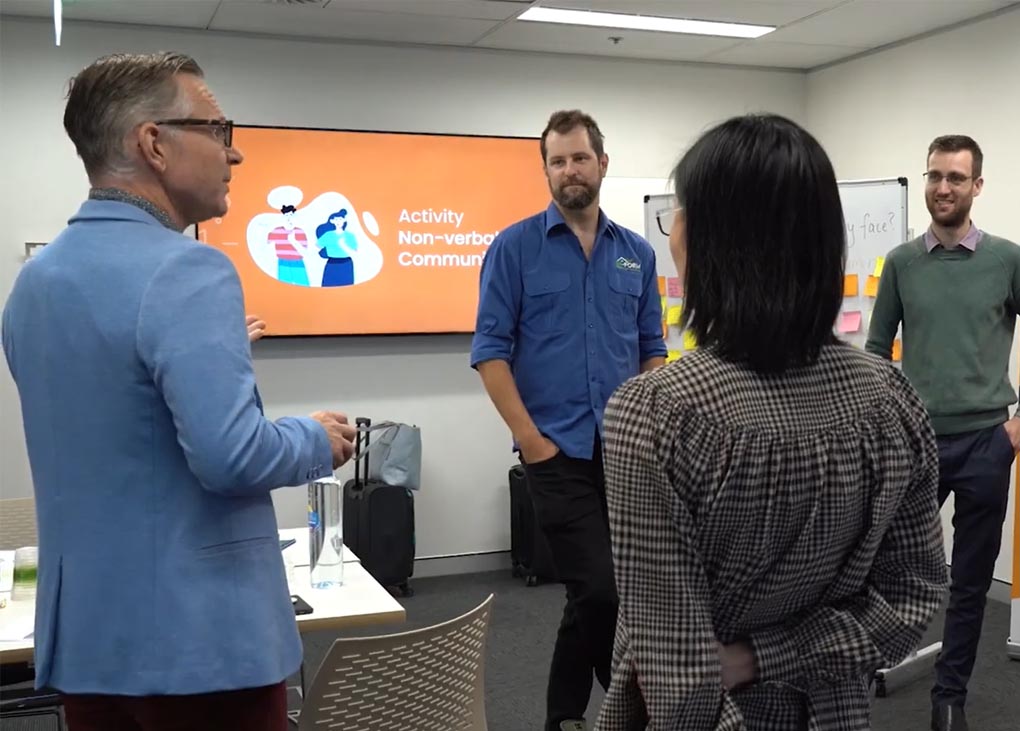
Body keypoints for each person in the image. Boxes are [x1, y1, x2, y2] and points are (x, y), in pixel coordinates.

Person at [2, 52, 356, 731]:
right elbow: (233, 458)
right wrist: (314, 437)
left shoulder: (34, 284)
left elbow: (115, 435)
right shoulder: (190, 270)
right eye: (217, 130)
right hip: (199, 646)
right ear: (154, 143)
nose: (235, 152)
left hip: (87, 642)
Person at [596, 114, 948, 730]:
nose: (673, 233)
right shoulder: (890, 397)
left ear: (716, 242)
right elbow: (913, 599)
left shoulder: (656, 412)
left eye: (680, 215)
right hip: (834, 712)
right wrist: (774, 653)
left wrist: (749, 658)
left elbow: (679, 681)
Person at [471, 109, 666, 731]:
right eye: (557, 161)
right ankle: (639, 708)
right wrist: (531, 442)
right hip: (555, 453)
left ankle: (562, 717)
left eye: (579, 158)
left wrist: (647, 426)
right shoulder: (514, 248)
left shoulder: (636, 254)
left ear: (601, 164)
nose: (569, 170)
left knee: (591, 593)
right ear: (546, 171)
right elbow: (490, 354)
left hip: (626, 452)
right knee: (602, 589)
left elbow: (652, 349)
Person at [865, 134, 1019, 731]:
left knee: (971, 582)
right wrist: (882, 429)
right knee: (884, 569)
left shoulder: (1006, 260)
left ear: (977, 185)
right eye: (934, 176)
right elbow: (876, 353)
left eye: (956, 177)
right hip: (915, 445)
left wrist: (1016, 429)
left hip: (986, 444)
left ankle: (948, 697)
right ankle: (860, 672)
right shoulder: (902, 263)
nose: (943, 187)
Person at [268, 204, 311, 285]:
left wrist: (293, 241)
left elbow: (304, 251)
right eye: (286, 215)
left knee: (302, 285)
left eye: (291, 215)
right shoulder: (277, 230)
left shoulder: (299, 231)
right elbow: (266, 244)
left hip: (297, 262)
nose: (289, 218)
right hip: (282, 262)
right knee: (284, 286)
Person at [315, 209, 358, 286]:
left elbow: (354, 252)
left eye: (340, 219)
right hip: (332, 263)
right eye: (336, 220)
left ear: (344, 220)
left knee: (346, 286)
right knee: (329, 286)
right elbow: (317, 246)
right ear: (332, 221)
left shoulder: (350, 235)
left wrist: (343, 245)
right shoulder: (328, 235)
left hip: (346, 263)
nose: (338, 222)